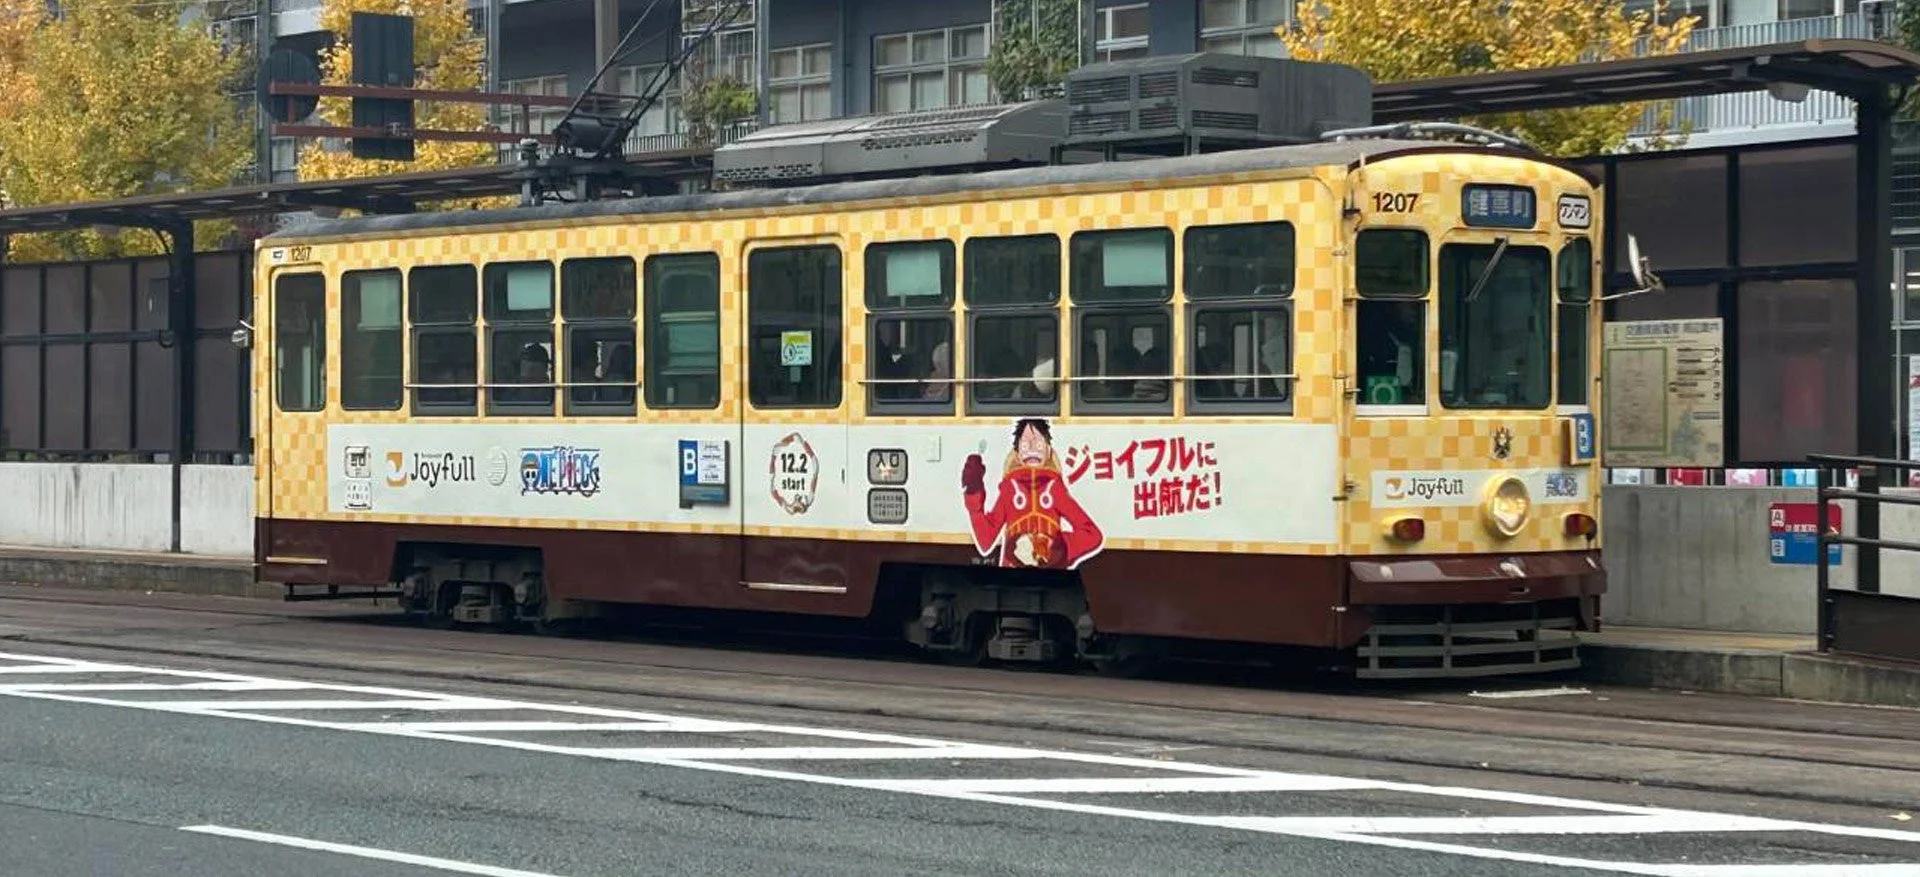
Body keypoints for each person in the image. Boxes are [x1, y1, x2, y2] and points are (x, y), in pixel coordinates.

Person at [960, 418, 1104, 570]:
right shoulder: (1010, 488)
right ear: (1017, 453)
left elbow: (1092, 534)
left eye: (1039, 444)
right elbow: (986, 540)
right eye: (1025, 445)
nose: (1032, 450)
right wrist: (974, 490)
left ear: (1048, 450)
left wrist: (1055, 548)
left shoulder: (1055, 488)